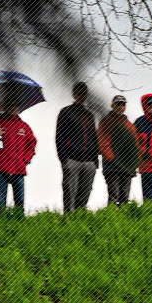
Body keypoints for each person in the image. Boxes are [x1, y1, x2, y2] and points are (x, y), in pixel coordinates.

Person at [0, 105, 37, 215]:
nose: (15, 108)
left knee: (20, 202)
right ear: (6, 106)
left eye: (16, 105)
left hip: (19, 168)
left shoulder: (24, 126)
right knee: (0, 202)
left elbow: (32, 144)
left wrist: (26, 159)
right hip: (0, 168)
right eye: (11, 105)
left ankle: (19, 222)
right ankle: (0, 222)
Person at [56, 82, 99, 213]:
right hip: (72, 159)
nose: (81, 96)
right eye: (79, 93)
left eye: (84, 94)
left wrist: (95, 160)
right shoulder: (65, 112)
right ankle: (69, 220)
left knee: (84, 196)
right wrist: (63, 159)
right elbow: (60, 136)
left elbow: (94, 138)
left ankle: (80, 220)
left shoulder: (89, 115)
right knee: (70, 195)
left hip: (89, 161)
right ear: (74, 94)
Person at [97, 95, 140, 205]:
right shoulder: (105, 122)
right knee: (113, 197)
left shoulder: (130, 126)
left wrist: (135, 162)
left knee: (124, 198)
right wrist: (113, 159)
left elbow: (135, 146)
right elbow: (102, 143)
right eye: (118, 104)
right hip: (112, 166)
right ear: (112, 105)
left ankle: (123, 216)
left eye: (123, 104)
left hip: (127, 167)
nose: (121, 107)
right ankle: (112, 215)